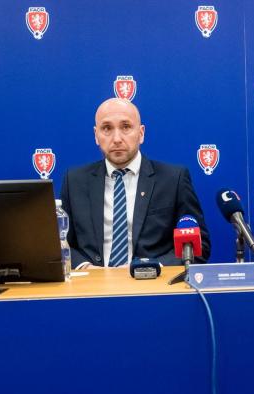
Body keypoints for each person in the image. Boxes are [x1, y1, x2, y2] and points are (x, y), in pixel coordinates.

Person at [61, 98, 210, 268]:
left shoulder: (173, 179)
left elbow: (199, 246)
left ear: (141, 133)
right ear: (96, 135)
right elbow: (59, 242)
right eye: (107, 128)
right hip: (92, 282)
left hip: (151, 282)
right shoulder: (74, 181)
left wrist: (151, 267)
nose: (117, 138)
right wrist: (86, 267)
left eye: (125, 127)